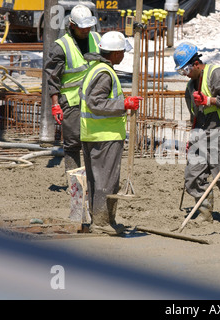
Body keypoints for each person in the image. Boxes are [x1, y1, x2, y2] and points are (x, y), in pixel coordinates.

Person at [173, 42, 220, 223]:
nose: (186, 75)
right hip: (202, 132)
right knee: (193, 174)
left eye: (186, 71)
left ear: (196, 64)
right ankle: (205, 213)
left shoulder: (216, 74)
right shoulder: (190, 88)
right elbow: (195, 116)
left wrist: (208, 100)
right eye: (182, 72)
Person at [79, 31, 142, 235]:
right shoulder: (104, 73)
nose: (123, 55)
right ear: (115, 53)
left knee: (97, 180)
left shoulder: (94, 69)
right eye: (122, 51)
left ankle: (104, 220)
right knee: (106, 180)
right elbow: (95, 102)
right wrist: (123, 104)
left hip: (93, 134)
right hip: (105, 136)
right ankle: (101, 223)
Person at [44, 4, 101, 173]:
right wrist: (55, 104)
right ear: (72, 25)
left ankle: (93, 181)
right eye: (82, 28)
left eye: (88, 26)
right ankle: (75, 184)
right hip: (71, 102)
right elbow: (53, 77)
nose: (86, 30)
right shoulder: (61, 46)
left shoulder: (97, 39)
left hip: (96, 99)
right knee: (73, 143)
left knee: (95, 140)